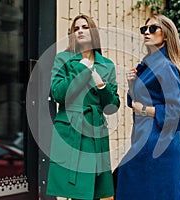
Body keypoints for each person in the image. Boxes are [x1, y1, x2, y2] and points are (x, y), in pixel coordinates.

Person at [115, 14, 180, 200]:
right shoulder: (147, 66)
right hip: (144, 141)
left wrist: (146, 110)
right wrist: (132, 85)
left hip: (159, 146)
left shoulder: (165, 66)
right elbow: (135, 103)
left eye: (152, 29)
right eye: (144, 29)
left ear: (165, 35)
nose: (146, 33)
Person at [46, 15, 120, 200]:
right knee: (77, 192)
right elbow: (58, 94)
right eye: (75, 28)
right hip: (70, 131)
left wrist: (102, 86)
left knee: (92, 193)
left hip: (95, 131)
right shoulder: (63, 59)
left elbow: (112, 106)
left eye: (85, 27)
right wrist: (81, 70)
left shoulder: (107, 65)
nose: (79, 31)